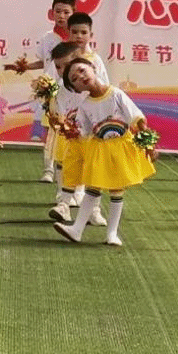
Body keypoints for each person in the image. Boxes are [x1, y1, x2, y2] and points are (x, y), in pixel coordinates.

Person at [53, 57, 157, 247]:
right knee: (93, 187)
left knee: (117, 190)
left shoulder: (115, 93)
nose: (81, 77)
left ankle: (112, 234)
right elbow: (83, 131)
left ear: (93, 68)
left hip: (120, 147)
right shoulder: (85, 105)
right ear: (76, 89)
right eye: (75, 79)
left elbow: (137, 118)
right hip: (99, 149)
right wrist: (68, 129)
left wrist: (149, 144)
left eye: (82, 70)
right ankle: (76, 229)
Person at [6, 0, 76, 180]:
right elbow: (43, 62)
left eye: (66, 12)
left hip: (70, 91)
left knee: (68, 129)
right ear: (52, 13)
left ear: (73, 14)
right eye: (58, 12)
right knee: (50, 128)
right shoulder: (47, 38)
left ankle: (66, 168)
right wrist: (24, 67)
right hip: (50, 90)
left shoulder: (75, 39)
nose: (61, 16)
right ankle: (48, 169)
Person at [46, 40, 105, 229]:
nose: (62, 70)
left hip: (94, 137)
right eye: (58, 66)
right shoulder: (60, 88)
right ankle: (64, 205)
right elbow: (59, 111)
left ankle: (94, 210)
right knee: (70, 170)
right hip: (73, 137)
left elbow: (103, 103)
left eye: (66, 65)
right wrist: (60, 122)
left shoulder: (91, 83)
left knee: (94, 174)